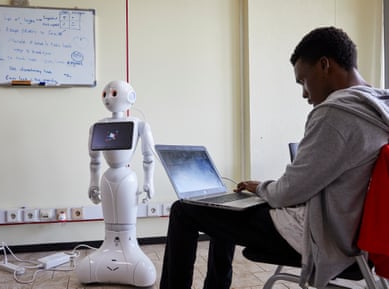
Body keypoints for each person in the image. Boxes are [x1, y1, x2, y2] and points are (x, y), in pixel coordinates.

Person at [159, 26, 389, 289]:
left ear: (325, 65)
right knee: (223, 209)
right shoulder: (378, 106)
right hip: (353, 235)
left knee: (183, 211)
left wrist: (266, 189)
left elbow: (288, 193)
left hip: (318, 236)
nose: (304, 94)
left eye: (303, 81)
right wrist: (263, 189)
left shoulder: (334, 114)